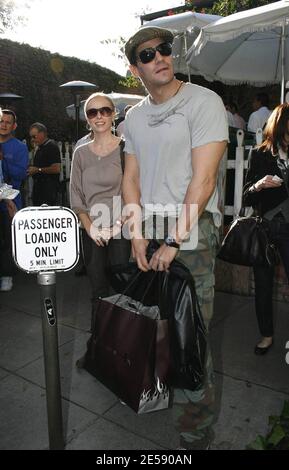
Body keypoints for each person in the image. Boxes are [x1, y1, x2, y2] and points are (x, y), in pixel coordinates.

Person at [123, 26, 228, 450]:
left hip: (191, 228)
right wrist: (135, 233)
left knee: (191, 337)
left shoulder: (204, 101)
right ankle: (154, 390)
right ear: (135, 69)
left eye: (164, 50)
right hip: (147, 227)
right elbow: (130, 177)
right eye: (147, 55)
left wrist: (173, 240)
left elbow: (203, 179)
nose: (159, 57)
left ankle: (193, 433)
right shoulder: (132, 116)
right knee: (156, 328)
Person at [70, 92, 131, 321]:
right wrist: (90, 228)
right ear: (87, 118)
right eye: (92, 112)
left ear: (113, 113)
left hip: (121, 229)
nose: (99, 116)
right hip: (91, 229)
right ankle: (98, 348)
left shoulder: (126, 150)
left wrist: (117, 226)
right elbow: (76, 195)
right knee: (98, 292)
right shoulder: (80, 153)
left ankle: (123, 347)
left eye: (105, 110)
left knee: (122, 291)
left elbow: (133, 191)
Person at [243, 103, 289, 355]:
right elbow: (246, 197)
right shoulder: (260, 155)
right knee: (263, 285)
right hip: (267, 228)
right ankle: (267, 335)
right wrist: (259, 185)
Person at [0, 109, 29, 291]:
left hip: (9, 202)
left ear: (14, 126)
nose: (3, 125)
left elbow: (20, 174)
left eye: (7, 122)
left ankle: (7, 274)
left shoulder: (19, 147)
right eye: (1, 121)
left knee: (7, 240)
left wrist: (4, 161)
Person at [28, 122, 61, 206]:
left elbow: (56, 169)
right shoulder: (40, 147)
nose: (32, 139)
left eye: (34, 136)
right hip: (39, 190)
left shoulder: (51, 146)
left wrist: (38, 170)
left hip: (48, 191)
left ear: (42, 134)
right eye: (31, 137)